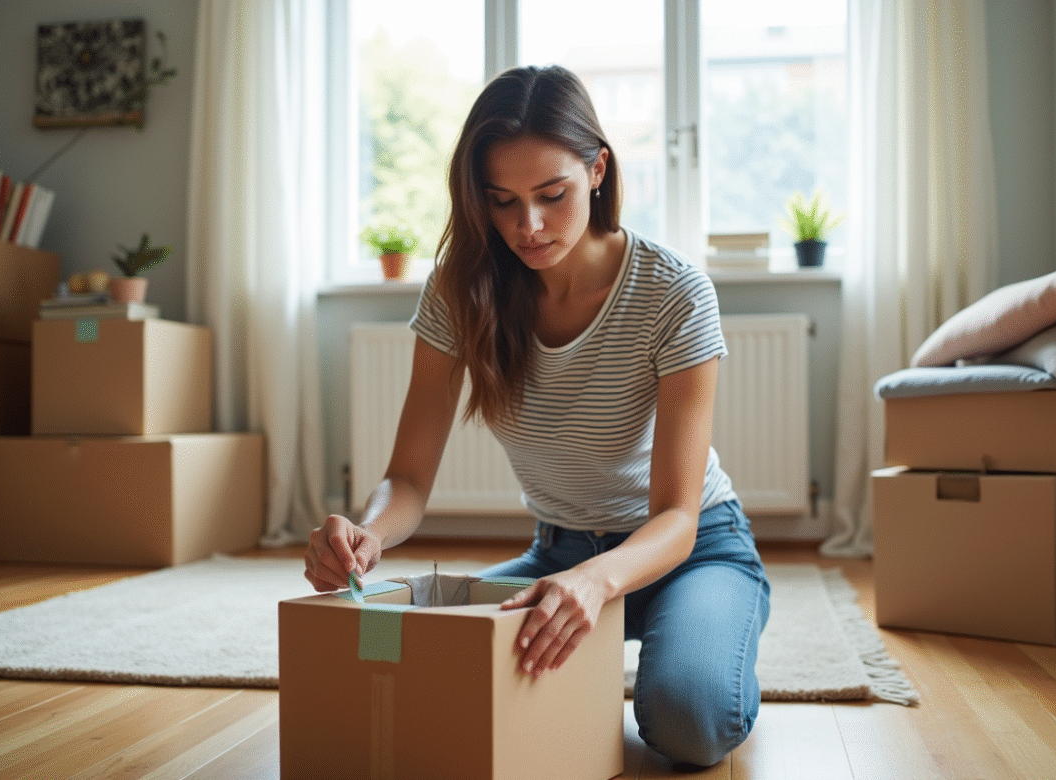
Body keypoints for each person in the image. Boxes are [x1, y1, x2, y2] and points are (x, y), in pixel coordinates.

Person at [305, 64, 771, 771]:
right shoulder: (460, 290)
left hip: (690, 551)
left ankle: (710, 637)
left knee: (688, 721)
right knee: (439, 672)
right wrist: (367, 534)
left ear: (597, 171)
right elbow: (406, 479)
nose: (528, 226)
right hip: (559, 554)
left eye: (552, 195)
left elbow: (676, 517)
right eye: (502, 201)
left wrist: (599, 581)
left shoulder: (674, 292)